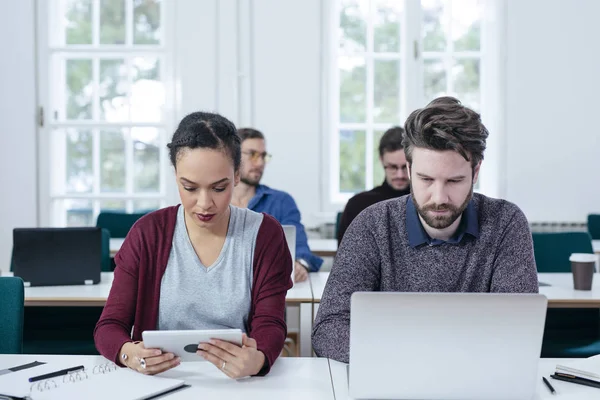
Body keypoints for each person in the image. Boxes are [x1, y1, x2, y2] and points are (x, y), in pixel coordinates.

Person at [312, 97, 538, 363]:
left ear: (475, 172)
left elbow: (518, 331)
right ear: (409, 169)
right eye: (426, 179)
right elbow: (328, 327)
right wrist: (410, 362)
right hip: (391, 378)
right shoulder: (371, 225)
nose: (438, 197)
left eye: (454, 180)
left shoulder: (506, 223)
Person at [94, 112, 293, 377]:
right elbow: (110, 326)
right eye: (189, 188)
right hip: (160, 381)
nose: (204, 203)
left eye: (218, 188)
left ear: (236, 175)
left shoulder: (265, 234)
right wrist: (128, 353)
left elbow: (271, 324)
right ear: (176, 176)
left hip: (237, 384)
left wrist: (257, 359)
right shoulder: (147, 234)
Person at [231, 128, 323, 283]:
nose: (260, 163)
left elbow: (300, 247)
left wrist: (300, 263)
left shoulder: (281, 201)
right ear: (233, 155)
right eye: (253, 154)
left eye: (263, 156)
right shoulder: (213, 202)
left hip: (268, 288)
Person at [337, 126, 410, 245]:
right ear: (381, 160)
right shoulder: (358, 205)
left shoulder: (424, 203)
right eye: (392, 167)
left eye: (405, 167)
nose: (400, 175)